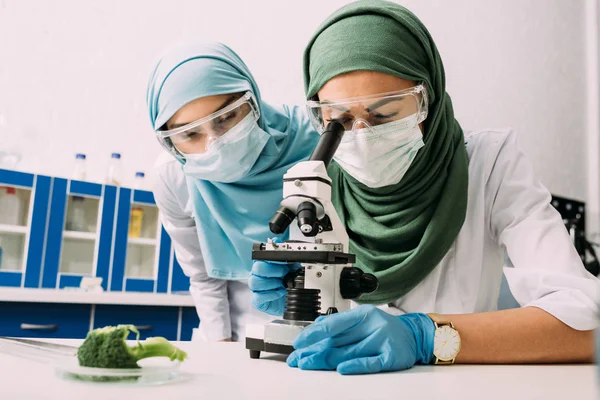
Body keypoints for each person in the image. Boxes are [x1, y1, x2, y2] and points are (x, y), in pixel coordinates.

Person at [249, 0, 598, 374]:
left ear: (426, 99)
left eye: (384, 114)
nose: (363, 136)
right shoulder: (319, 182)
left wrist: (426, 336)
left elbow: (584, 327)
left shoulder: (490, 165)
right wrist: (297, 296)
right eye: (340, 120)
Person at [146, 41, 318, 342]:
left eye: (226, 118)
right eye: (189, 134)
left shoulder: (317, 138)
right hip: (239, 333)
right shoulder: (173, 176)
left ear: (252, 101)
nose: (215, 144)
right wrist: (221, 345)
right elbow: (202, 274)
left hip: (328, 321)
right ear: (170, 142)